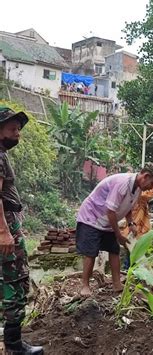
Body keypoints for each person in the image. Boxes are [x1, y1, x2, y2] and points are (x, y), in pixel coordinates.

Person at [76, 163, 153, 297]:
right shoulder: (122, 183)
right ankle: (85, 286)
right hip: (92, 217)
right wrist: (118, 234)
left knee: (114, 250)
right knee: (90, 252)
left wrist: (130, 223)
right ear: (145, 176)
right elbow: (110, 211)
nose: (152, 187)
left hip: (108, 220)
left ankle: (117, 284)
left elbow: (128, 206)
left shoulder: (138, 188)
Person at [0, 106, 43, 354]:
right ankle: (15, 347)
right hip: (6, 226)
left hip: (7, 223)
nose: (18, 134)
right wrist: (4, 232)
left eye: (18, 129)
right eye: (13, 129)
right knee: (15, 282)